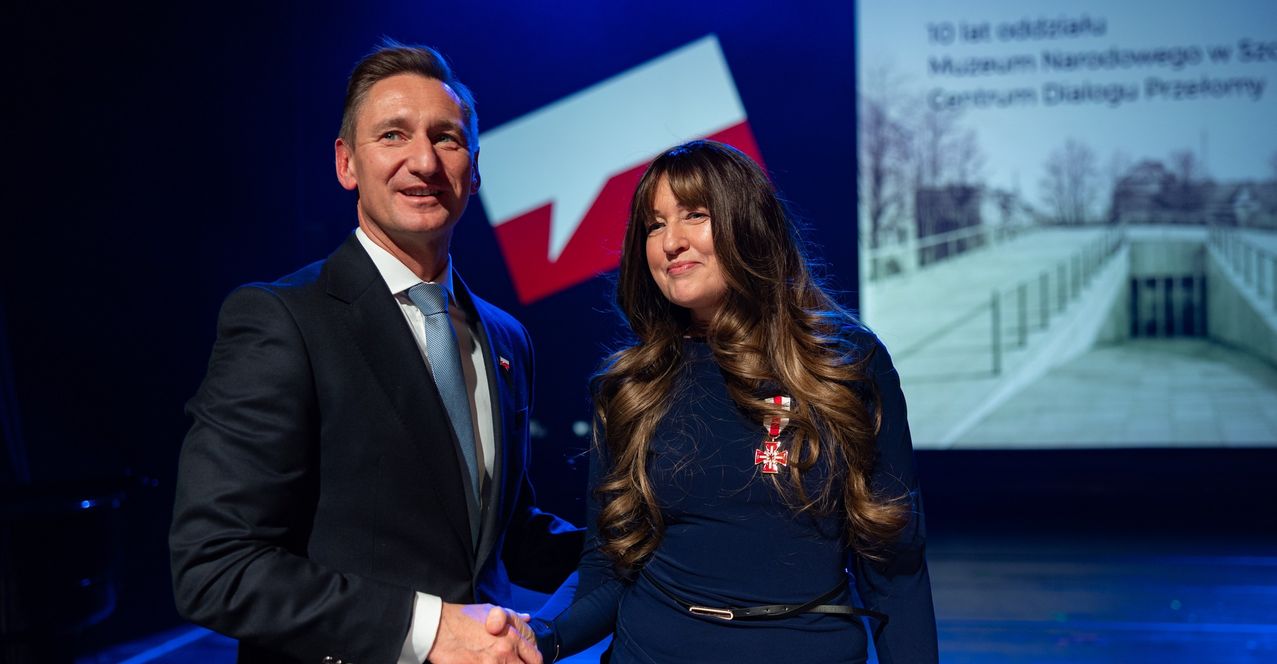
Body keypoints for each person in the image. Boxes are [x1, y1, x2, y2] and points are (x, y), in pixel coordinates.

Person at [170, 41, 582, 664]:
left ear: (474, 169)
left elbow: (502, 536)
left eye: (446, 138)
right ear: (346, 163)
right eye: (393, 135)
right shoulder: (281, 320)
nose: (424, 161)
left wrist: (660, 545)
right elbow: (215, 566)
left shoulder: (505, 338)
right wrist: (431, 630)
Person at [529, 140, 938, 663]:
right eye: (654, 225)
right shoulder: (630, 385)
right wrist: (541, 640)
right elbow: (607, 569)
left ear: (748, 225)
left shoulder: (845, 363)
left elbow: (895, 567)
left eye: (695, 215)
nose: (671, 242)